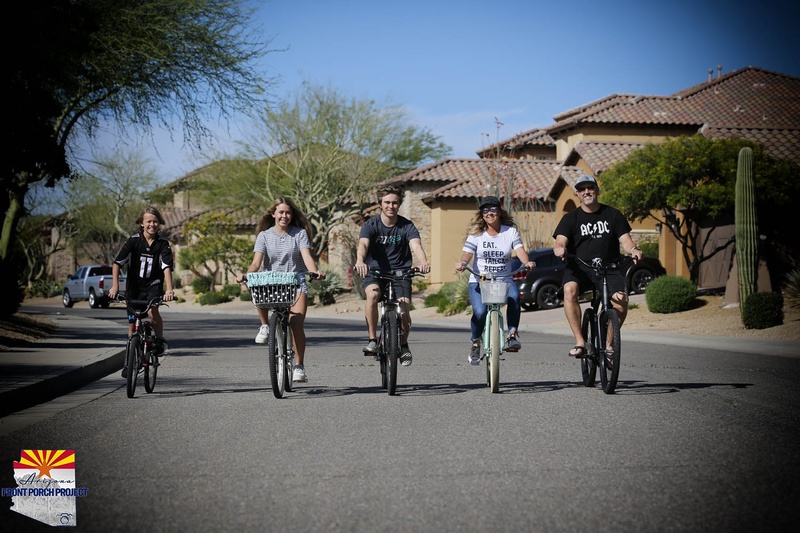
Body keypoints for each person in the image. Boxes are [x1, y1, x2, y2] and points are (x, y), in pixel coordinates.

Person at [552, 174, 643, 358]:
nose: (587, 192)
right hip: (579, 268)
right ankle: (580, 342)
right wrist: (559, 248)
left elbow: (626, 241)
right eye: (582, 189)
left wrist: (633, 250)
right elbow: (560, 241)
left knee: (621, 300)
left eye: (590, 187)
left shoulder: (613, 214)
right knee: (569, 290)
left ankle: (609, 346)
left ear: (597, 190)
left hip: (608, 268)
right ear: (577, 193)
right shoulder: (571, 218)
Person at [237, 197, 325, 384]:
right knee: (256, 283)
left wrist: (314, 271)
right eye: (281, 212)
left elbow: (306, 256)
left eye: (288, 212)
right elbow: (256, 262)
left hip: (295, 281)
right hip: (272, 283)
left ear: (292, 215)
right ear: (273, 214)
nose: (284, 215)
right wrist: (246, 274)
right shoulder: (264, 236)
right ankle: (264, 326)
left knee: (296, 323)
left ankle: (299, 366)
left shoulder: (299, 234)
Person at [354, 185, 431, 366]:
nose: (391, 206)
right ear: (380, 203)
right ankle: (373, 340)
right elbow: (363, 244)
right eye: (387, 202)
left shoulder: (407, 225)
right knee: (372, 295)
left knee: (403, 310)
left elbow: (416, 245)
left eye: (395, 203)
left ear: (399, 204)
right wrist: (360, 260)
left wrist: (423, 262)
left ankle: (403, 345)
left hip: (401, 272)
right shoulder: (371, 224)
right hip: (375, 272)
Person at [454, 196, 535, 365]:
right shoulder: (476, 234)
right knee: (480, 312)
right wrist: (462, 262)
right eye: (485, 210)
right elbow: (467, 254)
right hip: (479, 280)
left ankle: (512, 335)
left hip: (503, 278)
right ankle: (476, 342)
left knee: (513, 298)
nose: (489, 213)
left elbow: (520, 251)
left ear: (499, 211)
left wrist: (526, 262)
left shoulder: (510, 232)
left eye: (492, 209)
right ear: (481, 214)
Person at [108, 206, 176, 378]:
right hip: (134, 288)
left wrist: (169, 289)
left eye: (155, 221)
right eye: (148, 221)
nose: (152, 224)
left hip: (153, 285)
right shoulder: (133, 241)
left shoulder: (163, 244)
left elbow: (167, 268)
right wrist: (115, 286)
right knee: (132, 326)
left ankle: (159, 340)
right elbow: (117, 264)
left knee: (153, 313)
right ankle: (129, 362)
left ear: (159, 224)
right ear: (141, 223)